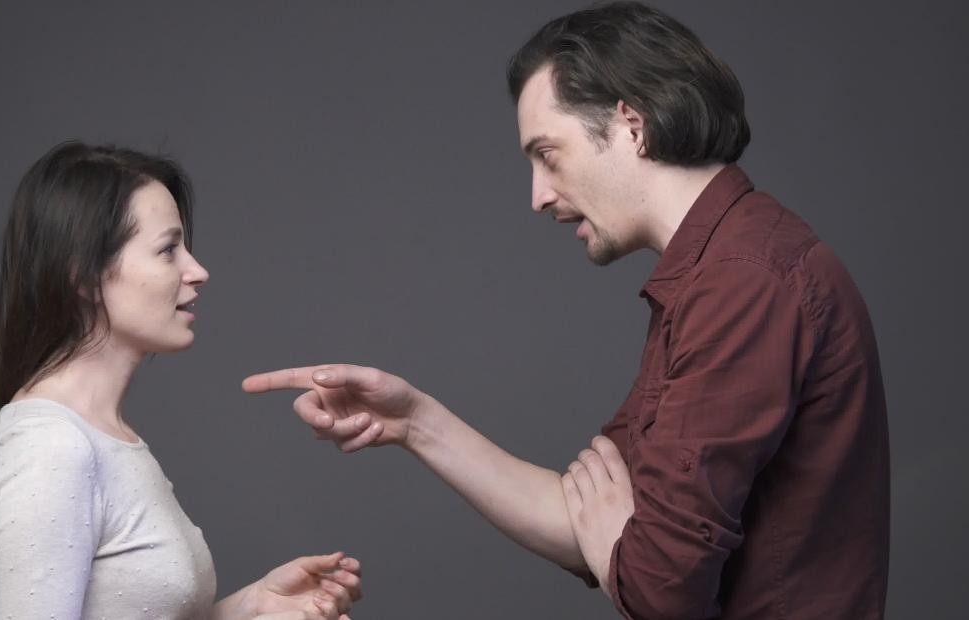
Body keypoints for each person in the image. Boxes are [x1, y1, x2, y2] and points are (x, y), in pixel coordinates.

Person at [242, 2, 890, 618]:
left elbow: (659, 589)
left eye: (546, 155)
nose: (538, 196)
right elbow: (586, 519)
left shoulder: (742, 282)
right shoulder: (713, 271)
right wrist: (414, 421)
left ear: (632, 125)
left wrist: (624, 549)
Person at [0, 142, 362, 620]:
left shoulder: (102, 438)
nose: (198, 271)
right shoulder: (50, 449)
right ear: (83, 275)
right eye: (168, 249)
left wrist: (249, 608)